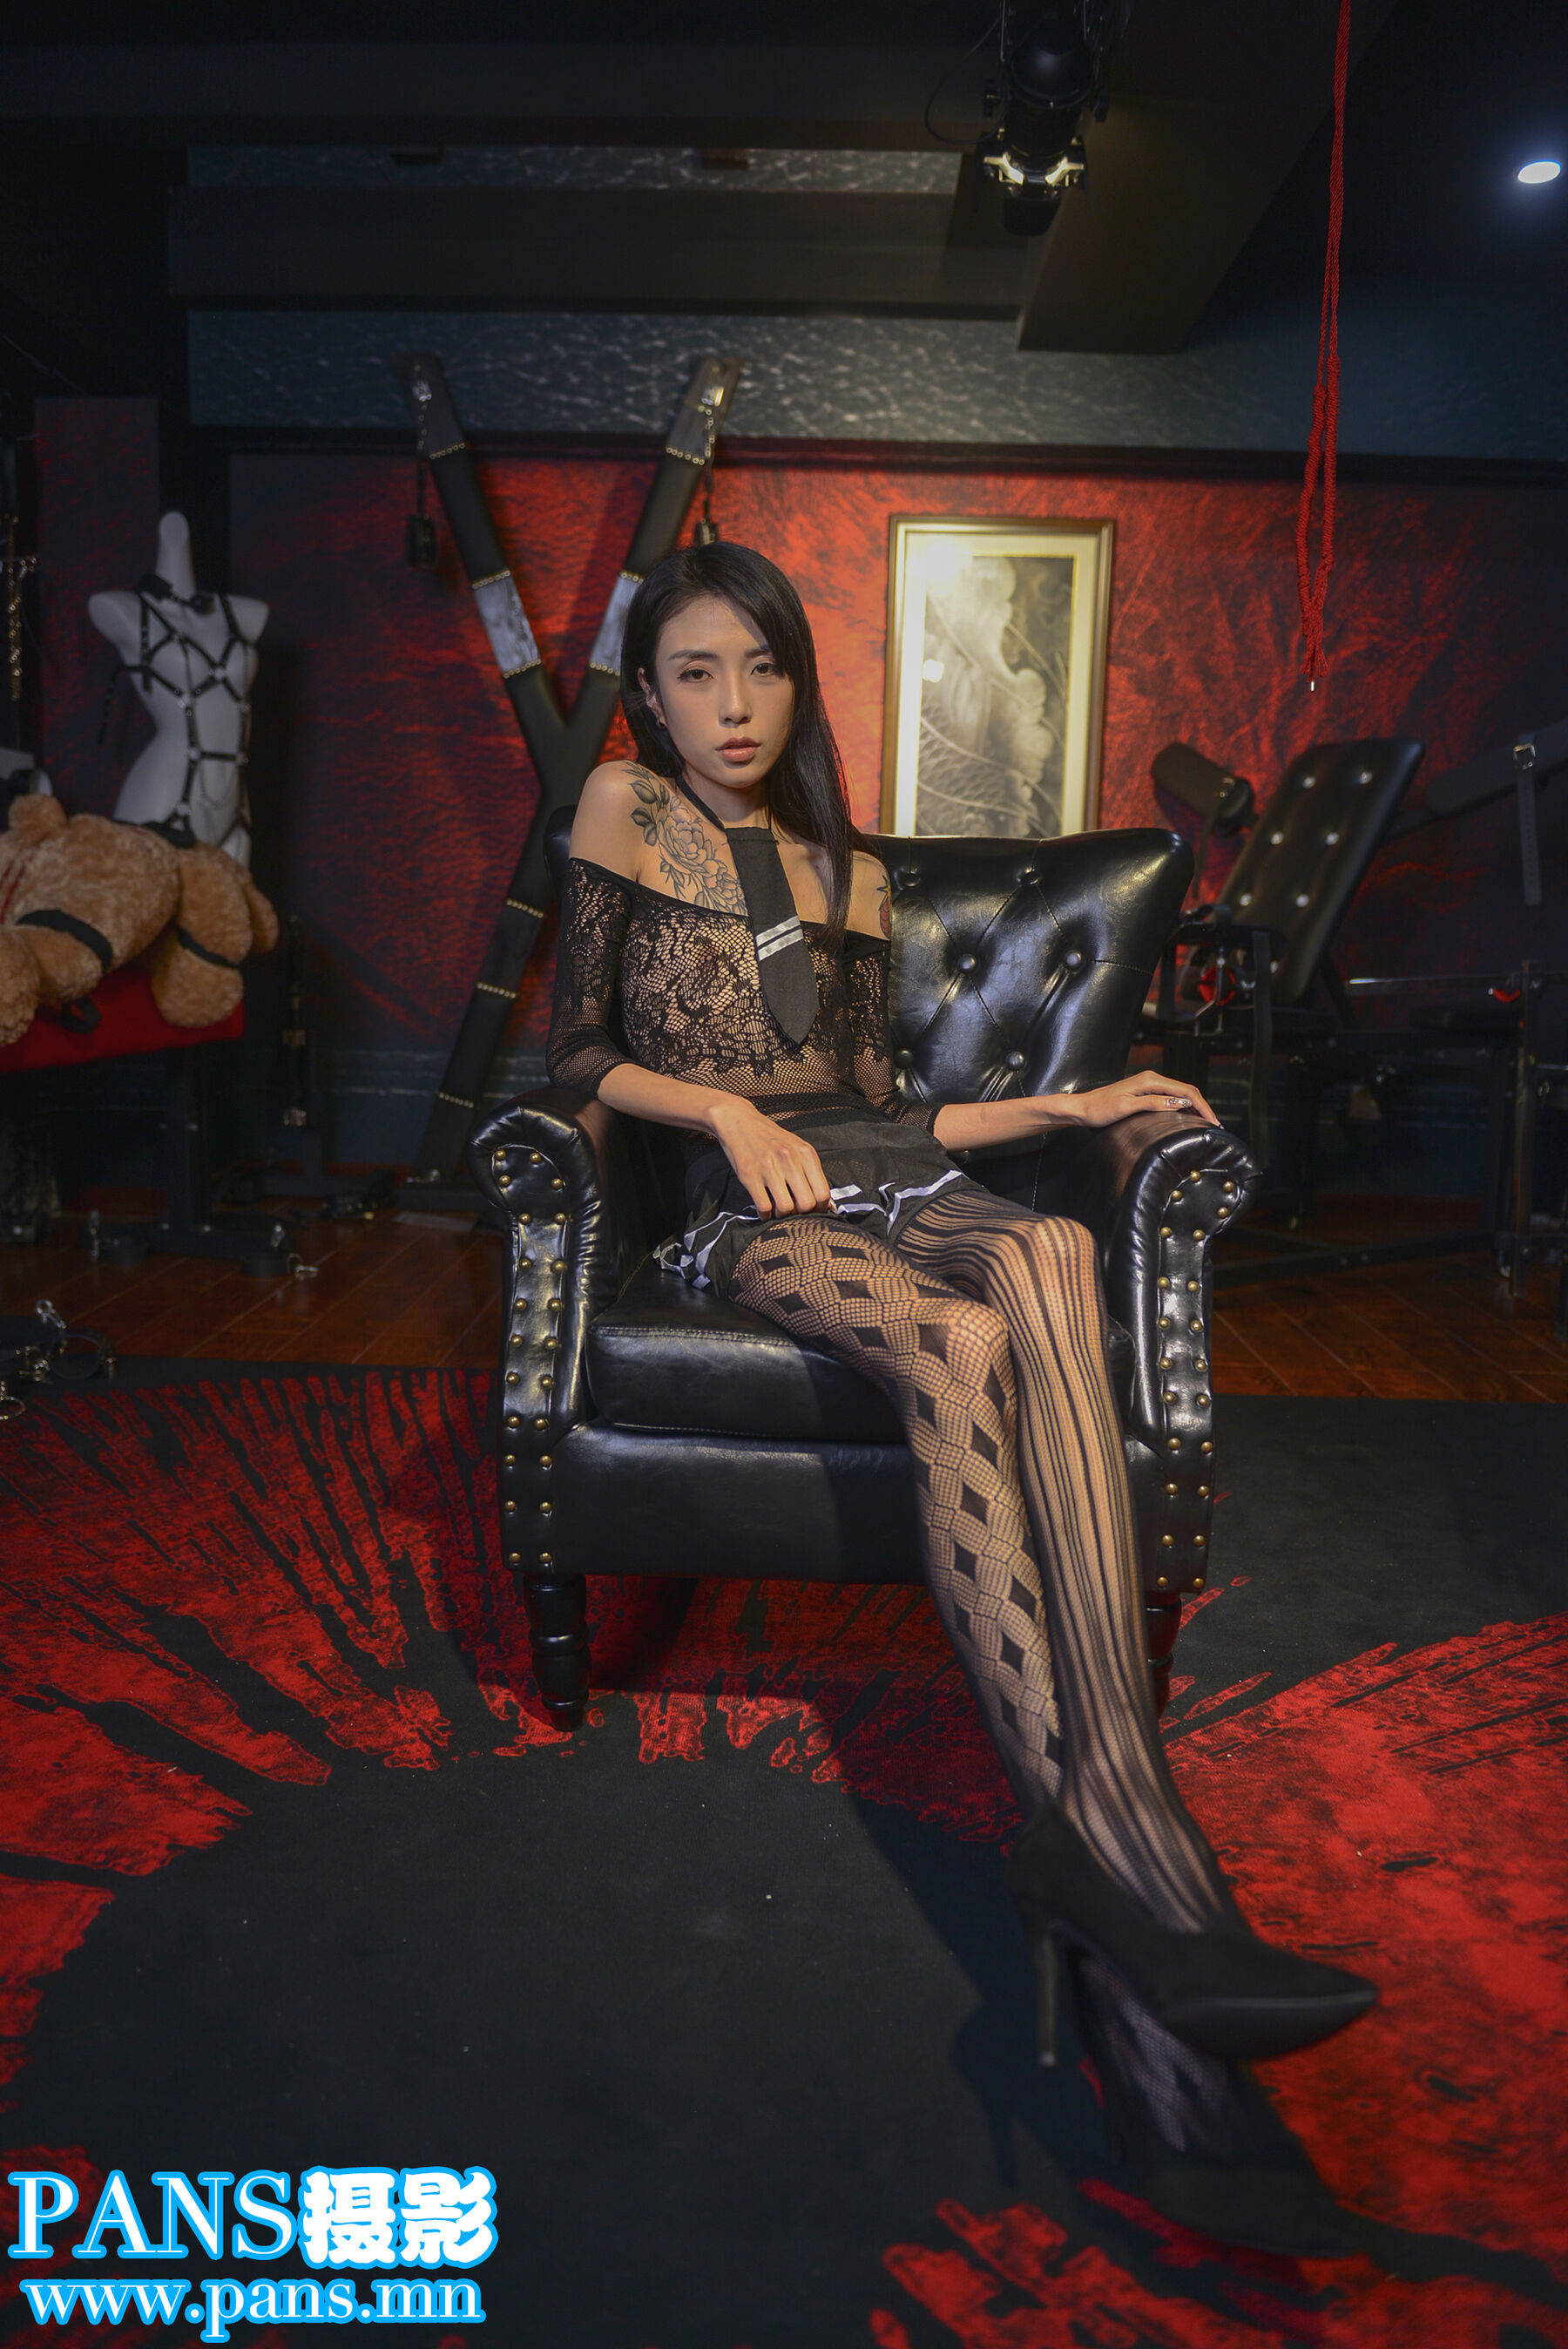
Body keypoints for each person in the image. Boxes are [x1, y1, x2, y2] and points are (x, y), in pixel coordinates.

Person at [546, 540, 1375, 2256]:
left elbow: (884, 1108)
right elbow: (574, 1056)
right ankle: (1142, 1888)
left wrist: (1070, 1111)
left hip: (892, 1179)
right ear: (651, 697)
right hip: (751, 1213)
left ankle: (1105, 1836)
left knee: (1053, 1254)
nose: (732, 704)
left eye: (760, 667)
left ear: (797, 681)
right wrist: (722, 1113)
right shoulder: (624, 811)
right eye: (695, 672)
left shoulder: (846, 870)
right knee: (960, 1344)